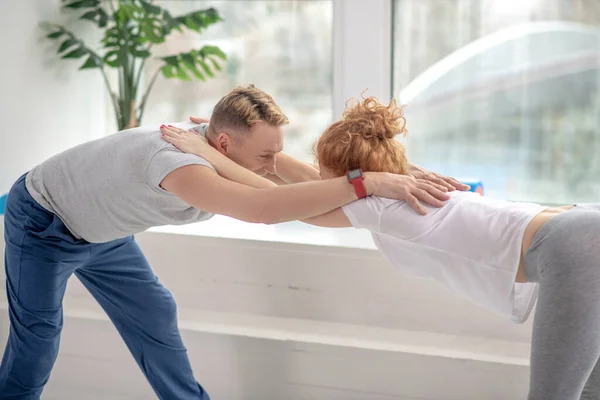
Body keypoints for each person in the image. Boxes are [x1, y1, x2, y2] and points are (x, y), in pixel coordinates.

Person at [0, 85, 462, 400]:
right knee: (39, 336)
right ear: (223, 142)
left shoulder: (224, 149)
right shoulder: (177, 163)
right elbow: (266, 209)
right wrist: (366, 186)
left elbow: (308, 185)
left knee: (155, 310)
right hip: (44, 222)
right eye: (266, 155)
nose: (274, 162)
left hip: (102, 229)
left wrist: (397, 177)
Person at [160, 94, 600, 400]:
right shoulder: (399, 185)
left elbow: (286, 202)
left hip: (574, 247)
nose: (325, 180)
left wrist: (214, 156)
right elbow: (319, 183)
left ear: (351, 175)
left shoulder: (379, 204)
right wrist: (251, 151)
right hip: (579, 223)